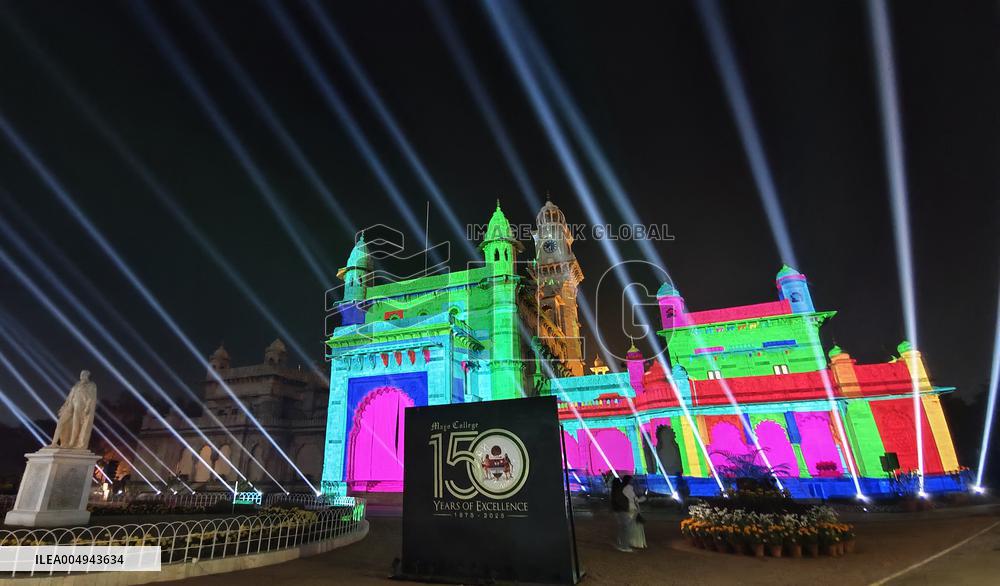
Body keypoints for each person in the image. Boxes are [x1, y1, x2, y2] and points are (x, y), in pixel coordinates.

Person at [622, 475, 647, 549]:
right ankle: (637, 543)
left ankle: (631, 541)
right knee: (637, 527)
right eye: (631, 480)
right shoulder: (630, 488)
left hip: (628, 508)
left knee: (630, 526)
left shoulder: (624, 489)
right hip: (634, 508)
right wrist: (643, 498)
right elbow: (635, 500)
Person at [609, 477, 632, 552]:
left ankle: (621, 544)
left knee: (622, 527)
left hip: (618, 510)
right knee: (625, 528)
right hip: (622, 510)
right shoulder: (620, 489)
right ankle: (624, 546)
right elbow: (620, 500)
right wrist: (625, 507)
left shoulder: (615, 490)